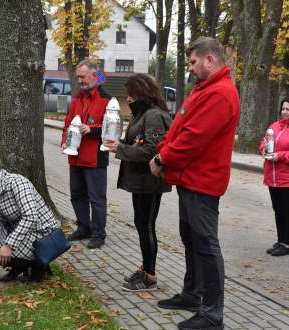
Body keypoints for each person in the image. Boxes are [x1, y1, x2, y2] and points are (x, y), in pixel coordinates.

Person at [149, 37, 240, 330]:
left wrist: (162, 159)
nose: (191, 68)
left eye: (193, 62)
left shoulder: (220, 93)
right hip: (190, 179)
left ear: (210, 59)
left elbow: (193, 139)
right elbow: (180, 127)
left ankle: (213, 314)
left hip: (203, 182)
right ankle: (193, 294)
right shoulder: (205, 90)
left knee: (206, 246)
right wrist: (163, 150)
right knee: (191, 240)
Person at [103, 74, 172, 292]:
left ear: (140, 92)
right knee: (142, 225)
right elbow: (137, 142)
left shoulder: (153, 115)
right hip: (140, 182)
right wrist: (122, 143)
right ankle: (145, 267)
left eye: (131, 93)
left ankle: (150, 276)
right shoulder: (140, 114)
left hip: (150, 182)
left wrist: (121, 149)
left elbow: (153, 150)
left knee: (147, 226)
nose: (128, 97)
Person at [0, 158, 59, 282]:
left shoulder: (17, 183)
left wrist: (8, 245)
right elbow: (3, 220)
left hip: (41, 234)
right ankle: (18, 266)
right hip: (23, 231)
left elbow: (30, 217)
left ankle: (37, 264)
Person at [61, 59, 112, 249]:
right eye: (78, 77)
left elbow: (113, 130)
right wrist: (64, 142)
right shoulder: (76, 98)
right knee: (76, 194)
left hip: (95, 157)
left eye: (82, 76)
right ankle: (84, 227)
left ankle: (99, 233)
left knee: (96, 198)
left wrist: (92, 129)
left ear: (94, 74)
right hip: (75, 156)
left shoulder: (107, 99)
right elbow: (67, 123)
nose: (80, 80)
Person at [260, 97, 289, 256]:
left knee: (286, 211)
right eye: (284, 108)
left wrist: (281, 156)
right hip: (273, 178)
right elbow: (264, 142)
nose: (285, 112)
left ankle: (287, 243)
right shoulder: (274, 127)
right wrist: (263, 149)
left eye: (288, 109)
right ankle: (281, 240)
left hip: (286, 180)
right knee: (278, 210)